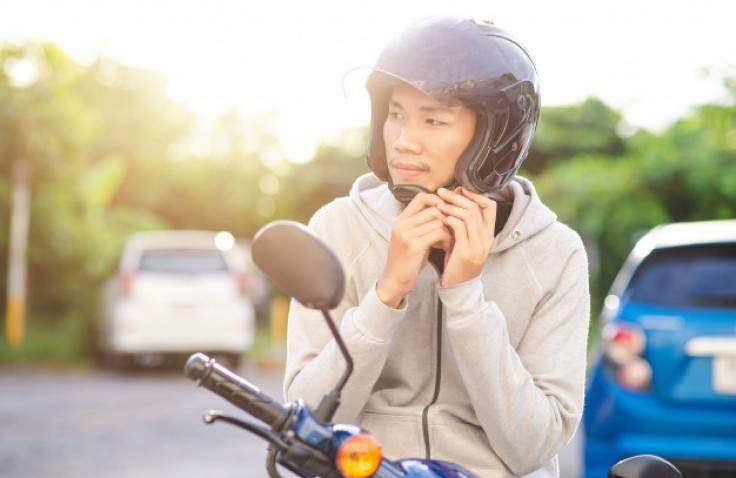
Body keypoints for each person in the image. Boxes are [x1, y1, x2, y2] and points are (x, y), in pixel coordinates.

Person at [283, 15, 590, 477]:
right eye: (396, 115)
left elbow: (534, 446)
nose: (403, 142)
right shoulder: (336, 228)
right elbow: (308, 423)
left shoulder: (556, 253)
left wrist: (466, 297)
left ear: (494, 137)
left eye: (434, 119)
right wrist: (386, 295)